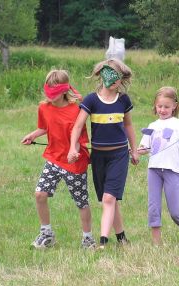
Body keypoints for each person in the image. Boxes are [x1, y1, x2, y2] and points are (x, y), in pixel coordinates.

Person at [67, 58, 139, 249]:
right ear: (102, 75)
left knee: (109, 198)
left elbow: (129, 125)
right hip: (98, 157)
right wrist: (73, 147)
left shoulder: (123, 100)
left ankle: (103, 242)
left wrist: (134, 149)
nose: (115, 81)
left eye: (119, 77)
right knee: (109, 199)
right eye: (112, 75)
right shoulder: (91, 100)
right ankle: (122, 238)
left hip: (119, 155)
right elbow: (78, 126)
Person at [21, 69, 96, 249]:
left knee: (81, 202)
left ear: (64, 90)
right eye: (49, 92)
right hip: (54, 158)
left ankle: (88, 239)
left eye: (55, 93)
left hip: (74, 162)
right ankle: (47, 235)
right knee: (40, 194)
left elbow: (78, 137)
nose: (51, 97)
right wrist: (32, 135)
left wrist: (73, 151)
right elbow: (44, 127)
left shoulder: (77, 110)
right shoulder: (44, 107)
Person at [138, 87, 179, 246]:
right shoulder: (152, 125)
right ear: (155, 105)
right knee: (153, 208)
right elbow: (143, 148)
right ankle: (156, 244)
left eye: (166, 107)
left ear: (174, 106)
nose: (162, 110)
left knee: (175, 211)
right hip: (154, 170)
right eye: (159, 106)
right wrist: (136, 151)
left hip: (172, 171)